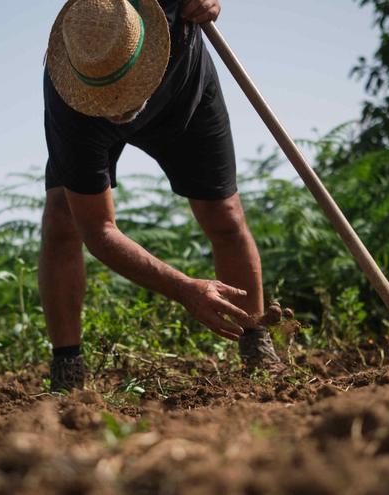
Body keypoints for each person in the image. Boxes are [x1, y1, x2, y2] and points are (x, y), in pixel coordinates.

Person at [41, 0, 281, 392]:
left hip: (184, 95)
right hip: (87, 124)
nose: (119, 106)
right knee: (62, 220)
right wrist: (185, 288)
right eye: (110, 96)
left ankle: (256, 344)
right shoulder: (72, 98)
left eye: (126, 91)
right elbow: (99, 230)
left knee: (226, 216)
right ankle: (67, 368)